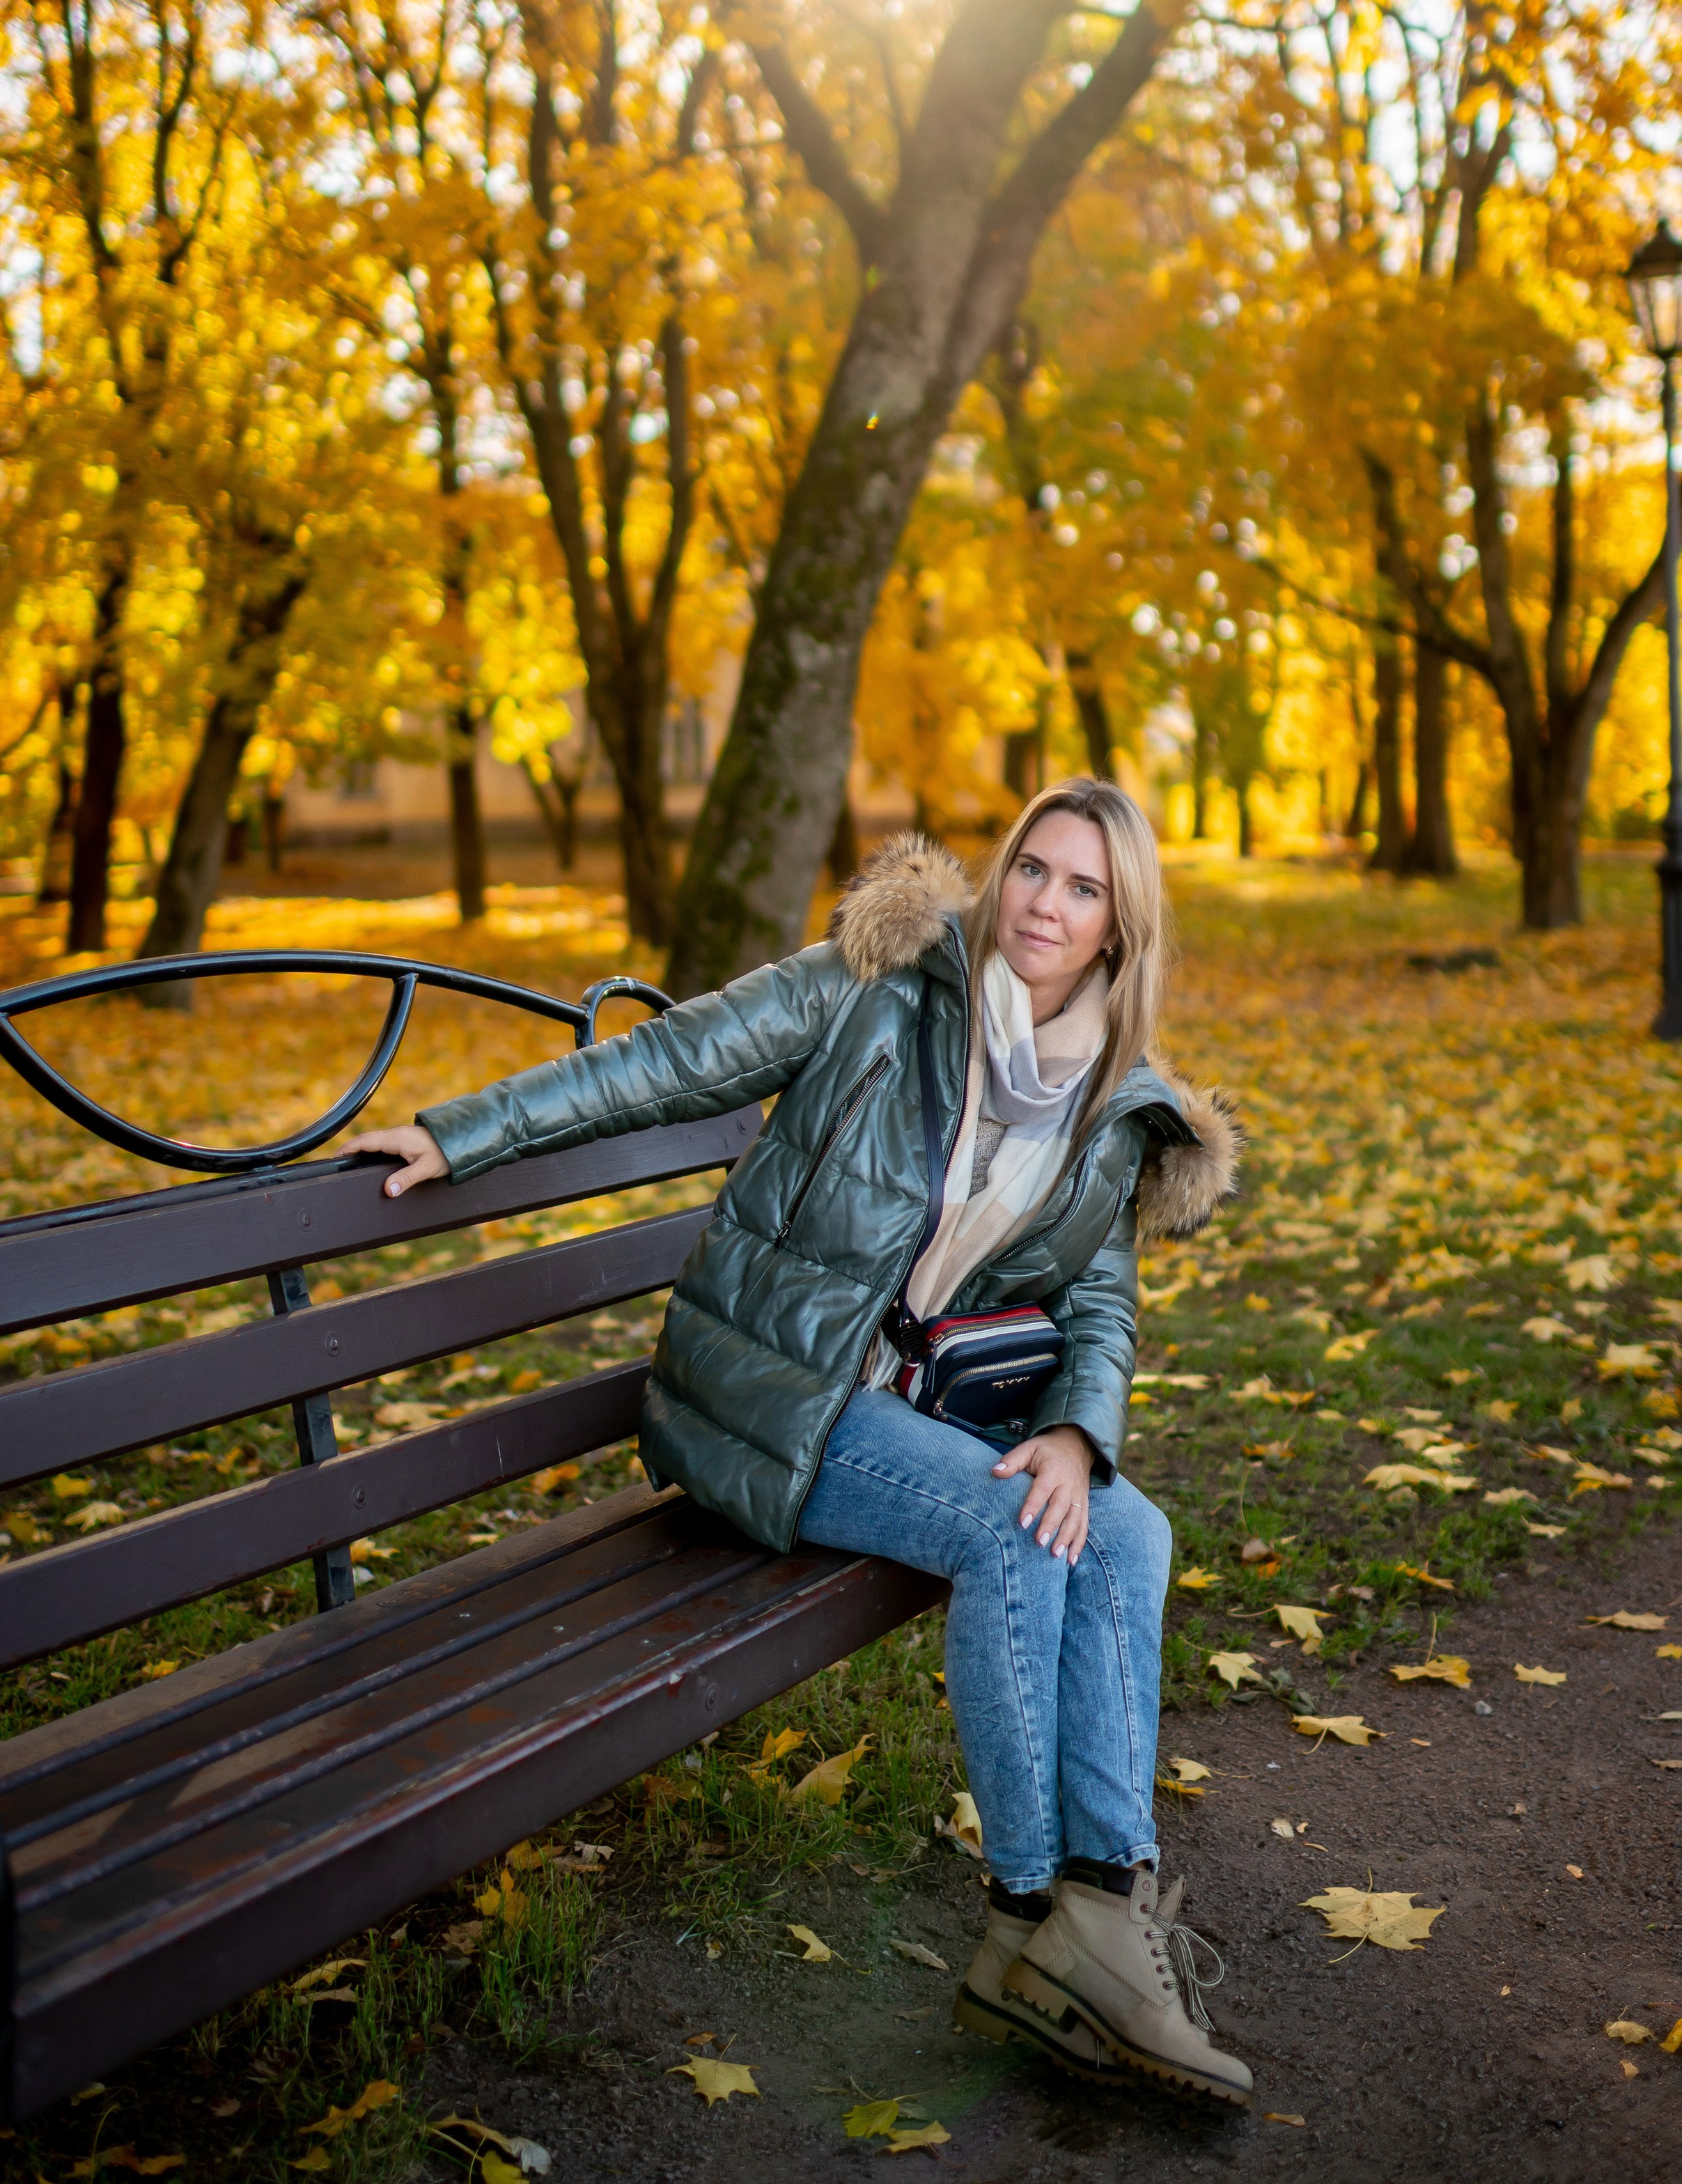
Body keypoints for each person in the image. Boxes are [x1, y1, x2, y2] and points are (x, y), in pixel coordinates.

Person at [360, 778, 1248, 2102]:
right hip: (778, 1393)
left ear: (1123, 929)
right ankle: (1025, 1920)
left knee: (1125, 1525)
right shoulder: (878, 983)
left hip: (922, 1411)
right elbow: (665, 1061)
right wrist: (462, 1128)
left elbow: (1101, 1299)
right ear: (1000, 874)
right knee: (1013, 1532)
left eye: (1083, 889)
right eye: (1031, 870)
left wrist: (1078, 1430)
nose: (1044, 906)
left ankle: (1102, 1910)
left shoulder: (1114, 1102)